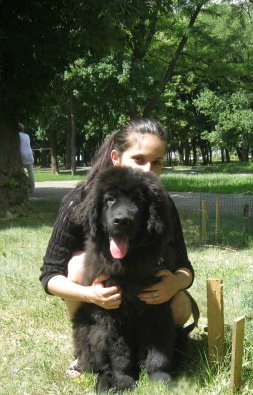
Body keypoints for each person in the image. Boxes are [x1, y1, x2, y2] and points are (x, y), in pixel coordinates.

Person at [40, 118, 196, 377]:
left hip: (145, 291)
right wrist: (91, 295)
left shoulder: (159, 202)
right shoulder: (79, 200)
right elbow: (49, 275)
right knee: (78, 265)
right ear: (116, 157)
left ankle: (149, 354)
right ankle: (90, 352)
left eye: (157, 162)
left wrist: (175, 283)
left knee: (181, 307)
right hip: (99, 294)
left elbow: (185, 267)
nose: (149, 170)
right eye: (139, 159)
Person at [18, 123, 35, 192]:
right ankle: (32, 187)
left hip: (21, 154)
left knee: (20, 171)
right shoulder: (27, 135)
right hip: (29, 153)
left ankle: (22, 186)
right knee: (31, 172)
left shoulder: (17, 135)